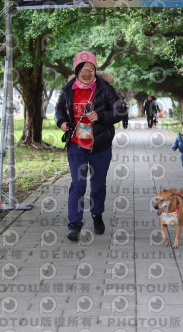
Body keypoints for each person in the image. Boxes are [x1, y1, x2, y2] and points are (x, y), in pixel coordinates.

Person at [55, 51, 123, 242]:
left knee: (98, 186)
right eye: (83, 70)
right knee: (78, 185)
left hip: (100, 145)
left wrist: (100, 116)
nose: (87, 73)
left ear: (95, 70)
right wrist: (62, 123)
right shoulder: (68, 90)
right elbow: (59, 111)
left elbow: (120, 111)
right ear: (76, 71)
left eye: (91, 69)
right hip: (76, 144)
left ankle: (96, 214)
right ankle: (74, 225)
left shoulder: (106, 89)